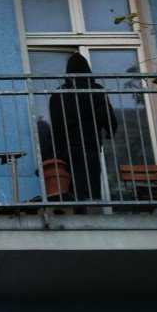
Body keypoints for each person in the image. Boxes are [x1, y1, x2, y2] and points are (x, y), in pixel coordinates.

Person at [46, 54, 116, 202]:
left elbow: (55, 124)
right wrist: (111, 129)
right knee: (90, 189)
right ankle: (90, 216)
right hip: (89, 146)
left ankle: (76, 215)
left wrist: (58, 152)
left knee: (71, 188)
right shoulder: (95, 90)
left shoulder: (58, 94)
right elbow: (105, 115)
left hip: (65, 149)